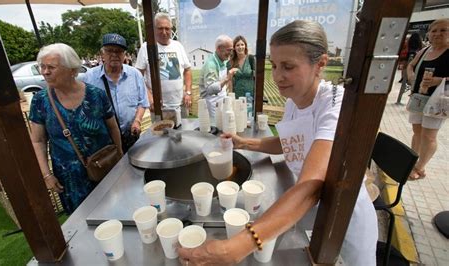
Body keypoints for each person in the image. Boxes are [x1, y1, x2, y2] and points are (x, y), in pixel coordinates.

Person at [178, 20, 378, 265]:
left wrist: (235, 248)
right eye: (274, 65)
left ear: (320, 64)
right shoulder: (295, 97)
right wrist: (244, 143)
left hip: (343, 220)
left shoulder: (336, 105)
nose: (278, 76)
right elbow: (289, 142)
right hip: (305, 209)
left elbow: (312, 184)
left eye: (288, 66)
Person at [29, 43, 122, 214]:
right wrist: (46, 175)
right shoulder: (40, 101)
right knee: (83, 223)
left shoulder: (96, 95)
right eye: (42, 66)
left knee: (115, 212)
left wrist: (120, 160)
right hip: (71, 180)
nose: (45, 71)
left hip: (104, 168)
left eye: (51, 67)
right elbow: (38, 140)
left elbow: (113, 128)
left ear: (72, 70)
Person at [83, 33, 149, 153]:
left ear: (124, 54)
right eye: (109, 51)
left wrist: (137, 121)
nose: (114, 55)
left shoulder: (135, 74)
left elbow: (143, 102)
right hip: (104, 141)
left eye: (118, 51)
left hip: (131, 135)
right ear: (102, 54)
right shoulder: (90, 77)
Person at [406, 18, 449, 180]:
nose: (437, 34)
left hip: (439, 101)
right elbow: (411, 65)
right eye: (434, 30)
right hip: (419, 97)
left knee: (429, 135)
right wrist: (410, 75)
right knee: (417, 131)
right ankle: (412, 161)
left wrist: (439, 80)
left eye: (443, 30)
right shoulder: (425, 51)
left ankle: (420, 167)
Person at [135, 12, 192, 117]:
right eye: (160, 28)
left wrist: (188, 92)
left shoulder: (178, 46)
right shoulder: (146, 47)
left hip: (180, 104)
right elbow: (138, 76)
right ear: (154, 29)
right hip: (159, 107)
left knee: (183, 131)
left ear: (171, 29)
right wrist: (149, 97)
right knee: (161, 133)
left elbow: (187, 70)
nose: (164, 32)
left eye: (167, 28)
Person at [199, 35, 237, 118]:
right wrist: (227, 78)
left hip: (220, 100)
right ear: (219, 49)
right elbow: (210, 89)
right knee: (215, 128)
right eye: (229, 50)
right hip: (212, 103)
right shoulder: (211, 64)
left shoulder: (222, 60)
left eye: (231, 50)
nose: (230, 53)